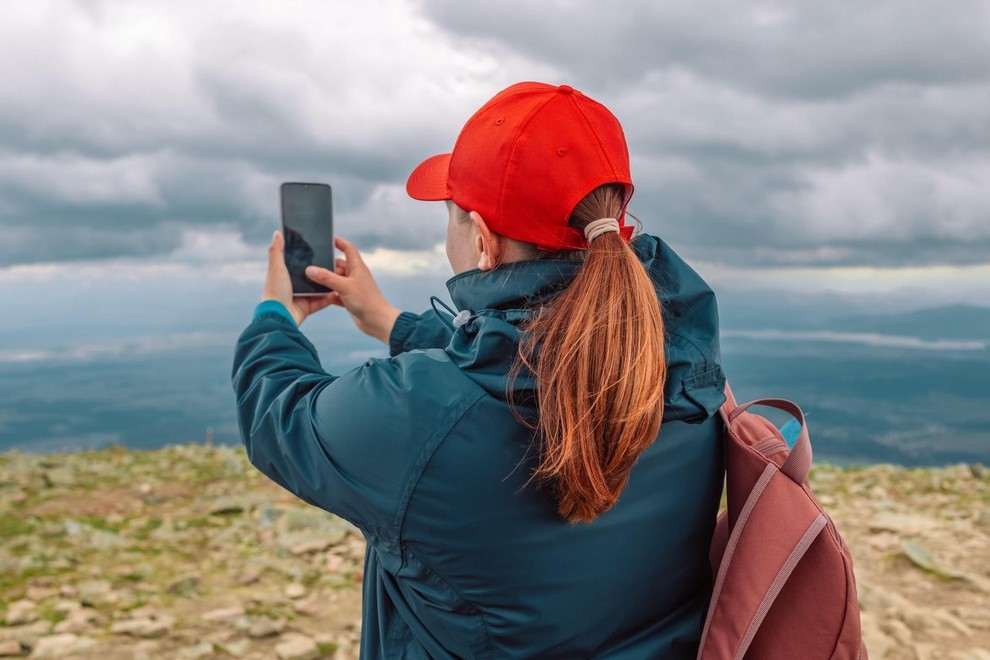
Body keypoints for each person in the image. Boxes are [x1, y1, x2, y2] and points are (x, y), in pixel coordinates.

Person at [233, 82, 726, 658]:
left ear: (484, 242)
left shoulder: (418, 417)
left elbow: (278, 414)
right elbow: (538, 367)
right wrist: (391, 322)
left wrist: (275, 313)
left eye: (452, 217)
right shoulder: (680, 369)